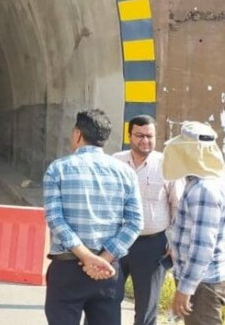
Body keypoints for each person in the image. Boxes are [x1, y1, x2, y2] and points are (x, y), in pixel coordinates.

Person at [43, 109, 144, 325]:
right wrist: (103, 259)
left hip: (67, 268)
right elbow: (135, 223)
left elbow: (55, 219)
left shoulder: (58, 169)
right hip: (107, 272)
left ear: (78, 134)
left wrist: (86, 257)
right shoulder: (125, 173)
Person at [112, 115, 183, 325]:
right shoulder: (115, 162)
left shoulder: (167, 165)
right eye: (139, 136)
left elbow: (177, 205)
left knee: (146, 308)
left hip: (152, 245)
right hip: (116, 243)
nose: (145, 141)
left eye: (150, 136)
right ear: (129, 136)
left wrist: (173, 242)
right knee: (105, 300)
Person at [162, 121, 225, 325]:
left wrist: (185, 289)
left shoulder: (204, 189)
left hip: (202, 283)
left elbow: (203, 247)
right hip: (202, 280)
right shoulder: (205, 182)